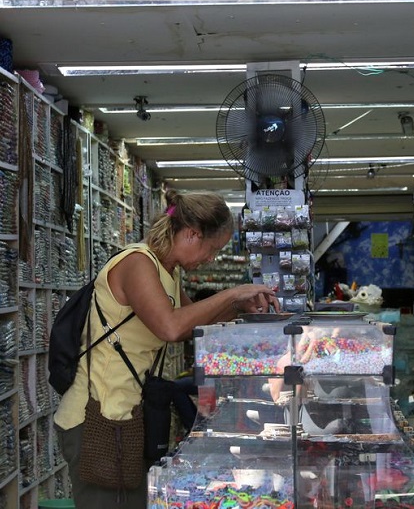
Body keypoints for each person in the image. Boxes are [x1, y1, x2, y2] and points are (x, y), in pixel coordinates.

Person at [54, 190, 279, 509]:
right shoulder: (137, 263)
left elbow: (193, 321)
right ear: (192, 234)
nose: (211, 259)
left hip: (126, 416)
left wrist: (240, 307)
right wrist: (234, 293)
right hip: (95, 418)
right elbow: (171, 327)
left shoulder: (167, 271)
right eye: (213, 249)